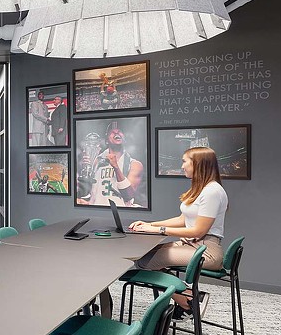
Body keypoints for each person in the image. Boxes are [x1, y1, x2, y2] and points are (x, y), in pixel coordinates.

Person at [129, 146, 228, 313]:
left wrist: (160, 230)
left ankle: (189, 301)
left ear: (198, 164)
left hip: (206, 251)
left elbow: (198, 231)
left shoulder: (212, 192)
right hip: (194, 245)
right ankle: (188, 298)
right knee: (147, 255)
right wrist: (149, 225)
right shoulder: (202, 189)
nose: (182, 166)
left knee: (144, 261)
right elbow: (182, 219)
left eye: (184, 162)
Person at [77, 121, 144, 207]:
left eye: (120, 131)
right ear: (106, 141)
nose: (116, 133)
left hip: (120, 214)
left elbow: (129, 195)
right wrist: (86, 169)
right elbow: (85, 192)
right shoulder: (95, 161)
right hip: (95, 212)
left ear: (125, 140)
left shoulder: (134, 164)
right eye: (112, 132)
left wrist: (116, 167)